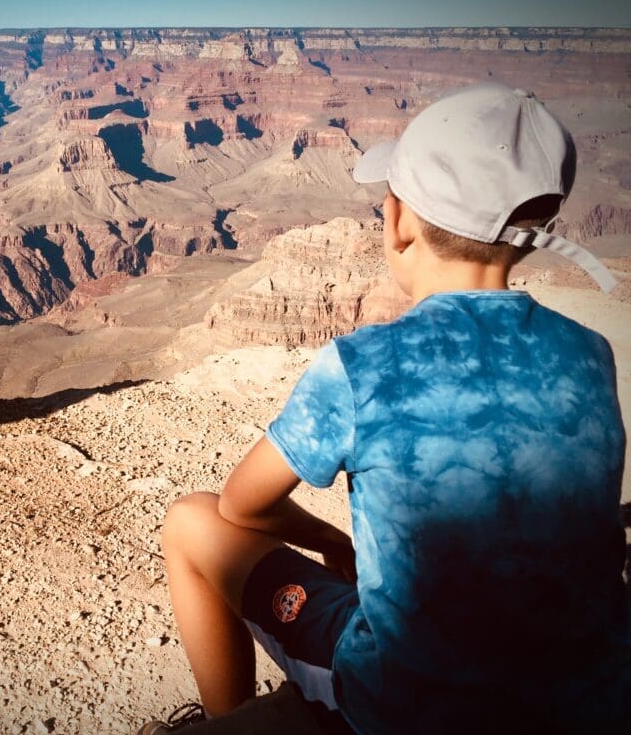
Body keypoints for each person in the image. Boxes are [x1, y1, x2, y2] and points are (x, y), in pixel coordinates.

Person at [138, 82, 629, 735]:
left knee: (190, 521)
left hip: (407, 707)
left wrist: (328, 540)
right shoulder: (590, 354)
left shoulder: (363, 364)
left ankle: (232, 720)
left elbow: (241, 505)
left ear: (397, 221)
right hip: (587, 701)